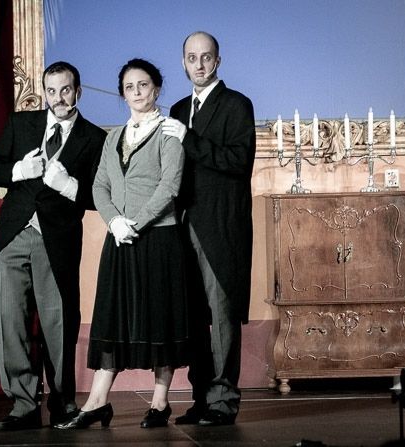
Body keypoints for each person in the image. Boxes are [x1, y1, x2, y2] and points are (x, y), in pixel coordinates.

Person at [55, 58, 189, 430]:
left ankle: (160, 402)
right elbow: (100, 185)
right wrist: (114, 221)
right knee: (113, 317)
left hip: (159, 239)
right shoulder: (113, 137)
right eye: (129, 87)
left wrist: (136, 224)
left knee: (159, 319)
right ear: (123, 94)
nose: (137, 92)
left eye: (143, 85)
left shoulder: (168, 132)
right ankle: (98, 401)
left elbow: (170, 186)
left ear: (156, 89)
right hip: (119, 239)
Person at [0, 61, 107, 430]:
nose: (58, 98)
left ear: (78, 91)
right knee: (9, 321)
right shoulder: (21, 124)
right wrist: (17, 171)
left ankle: (63, 402)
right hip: (13, 235)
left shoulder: (94, 138)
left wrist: (69, 185)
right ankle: (23, 405)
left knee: (59, 323)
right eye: (51, 91)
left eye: (65, 90)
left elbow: (99, 196)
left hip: (57, 239)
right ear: (44, 92)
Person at [161, 31, 256, 426]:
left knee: (222, 314)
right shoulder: (178, 108)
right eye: (191, 57)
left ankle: (222, 401)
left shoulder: (237, 105)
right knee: (194, 318)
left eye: (206, 57)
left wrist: (190, 139)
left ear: (218, 60)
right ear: (183, 62)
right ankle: (201, 398)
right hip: (182, 225)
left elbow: (238, 161)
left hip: (220, 226)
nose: (198, 64)